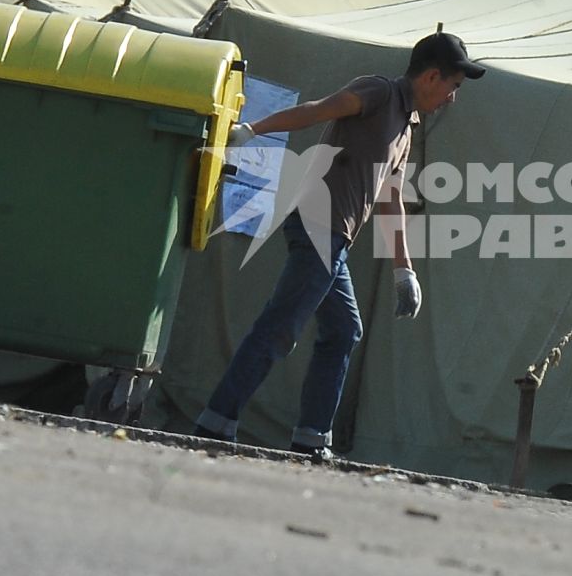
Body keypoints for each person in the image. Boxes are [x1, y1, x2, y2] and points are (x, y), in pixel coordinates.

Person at [193, 31, 486, 456]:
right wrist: (253, 129)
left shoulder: (407, 125)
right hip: (317, 226)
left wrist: (406, 270)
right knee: (281, 328)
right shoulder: (380, 93)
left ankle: (310, 438)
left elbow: (391, 199)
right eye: (453, 87)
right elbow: (318, 111)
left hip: (335, 238)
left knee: (344, 330)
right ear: (431, 77)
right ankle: (217, 423)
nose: (453, 98)